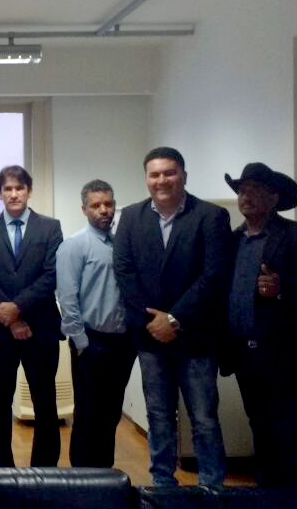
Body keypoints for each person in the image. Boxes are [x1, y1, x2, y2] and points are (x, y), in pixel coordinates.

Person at [113, 147, 230, 488]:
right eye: (155, 174)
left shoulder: (211, 216)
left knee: (204, 418)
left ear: (184, 176)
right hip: (150, 337)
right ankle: (162, 484)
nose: (162, 180)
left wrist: (175, 319)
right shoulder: (131, 217)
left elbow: (214, 275)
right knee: (159, 415)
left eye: (169, 172)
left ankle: (212, 486)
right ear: (146, 179)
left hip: (196, 337)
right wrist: (155, 321)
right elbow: (124, 271)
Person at [221, 162, 297, 486]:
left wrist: (283, 287)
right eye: (242, 190)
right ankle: (268, 500)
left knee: (290, 438)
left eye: (255, 190)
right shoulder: (231, 242)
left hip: (290, 359)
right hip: (246, 358)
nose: (246, 196)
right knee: (261, 435)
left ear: (274, 197)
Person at [0, 165, 64, 468]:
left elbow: (52, 275)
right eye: (8, 189)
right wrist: (11, 318)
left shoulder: (50, 227)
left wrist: (17, 308)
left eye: (19, 188)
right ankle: (2, 469)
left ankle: (45, 470)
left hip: (42, 329)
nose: (14, 194)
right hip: (1, 332)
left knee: (45, 401)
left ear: (29, 191)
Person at [56, 179, 136, 468]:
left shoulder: (121, 245)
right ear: (84, 209)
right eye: (96, 205)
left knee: (111, 412)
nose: (104, 210)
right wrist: (80, 341)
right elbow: (67, 297)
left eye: (108, 204)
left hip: (123, 342)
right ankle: (82, 477)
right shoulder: (74, 246)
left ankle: (105, 474)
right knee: (88, 413)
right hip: (91, 342)